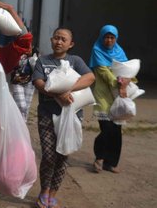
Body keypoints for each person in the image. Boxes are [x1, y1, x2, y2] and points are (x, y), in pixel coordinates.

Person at [32, 27, 95, 208]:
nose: (59, 42)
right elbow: (39, 83)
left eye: (63, 39)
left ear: (70, 44)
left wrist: (68, 90)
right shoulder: (42, 61)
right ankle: (44, 191)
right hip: (46, 114)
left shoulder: (76, 61)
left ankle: (53, 194)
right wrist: (57, 94)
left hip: (72, 116)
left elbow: (90, 77)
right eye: (56, 38)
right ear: (51, 40)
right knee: (49, 155)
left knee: (63, 155)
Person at [89, 25, 131, 174]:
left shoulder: (120, 52)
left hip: (119, 95)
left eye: (112, 37)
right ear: (102, 37)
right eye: (106, 37)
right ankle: (99, 157)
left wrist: (127, 80)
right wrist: (119, 83)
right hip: (103, 96)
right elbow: (103, 72)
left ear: (116, 38)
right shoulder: (97, 50)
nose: (109, 40)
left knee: (116, 130)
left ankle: (111, 163)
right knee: (106, 128)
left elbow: (128, 69)